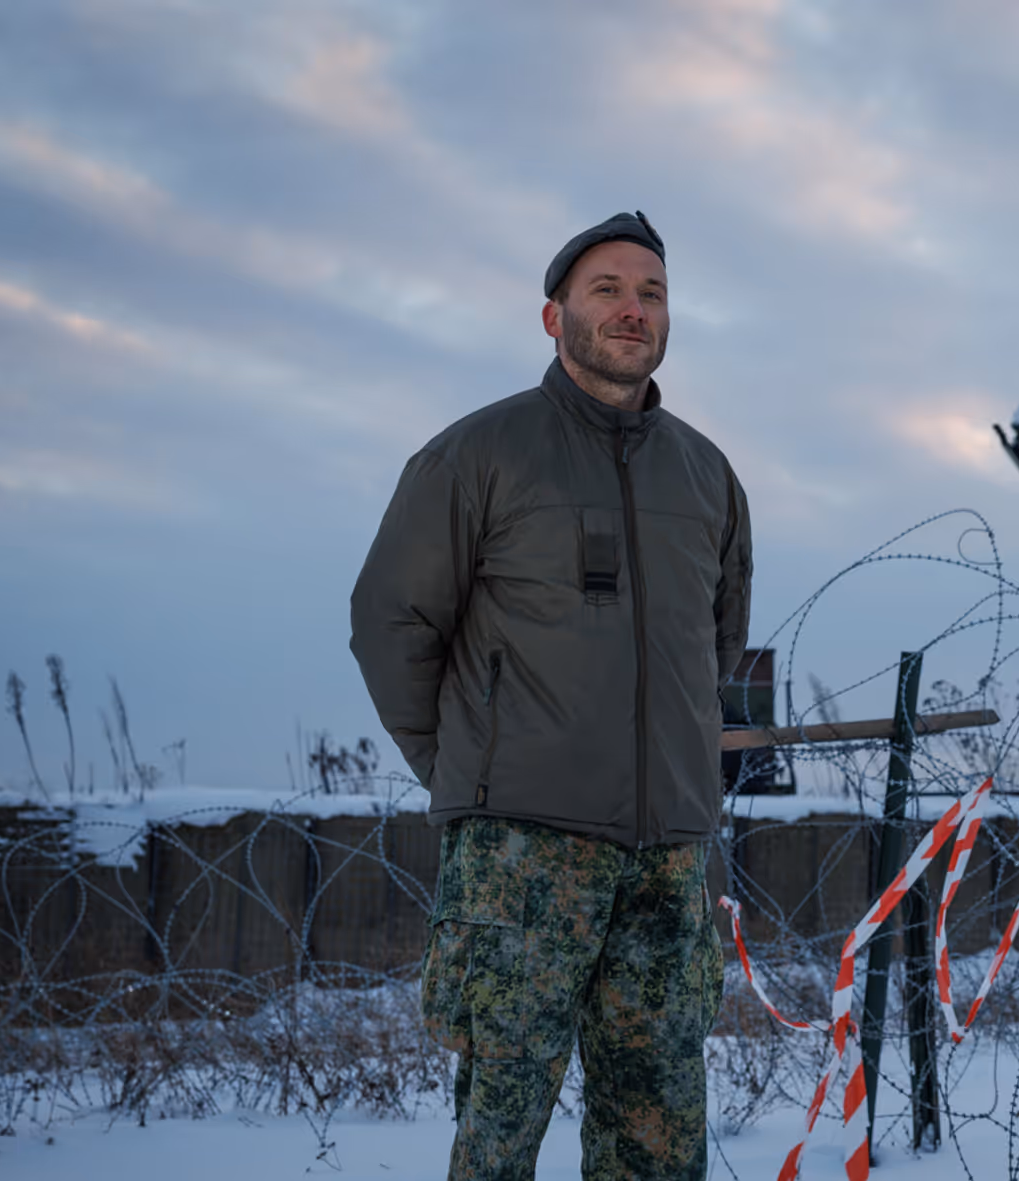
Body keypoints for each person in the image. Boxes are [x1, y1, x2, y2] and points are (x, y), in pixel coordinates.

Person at [350, 211, 751, 1180]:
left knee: (658, 1138)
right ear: (553, 315)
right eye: (607, 289)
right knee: (498, 1137)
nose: (633, 309)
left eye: (651, 292)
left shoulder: (707, 474)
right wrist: (468, 770)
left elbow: (717, 643)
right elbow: (388, 622)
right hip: (522, 858)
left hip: (668, 858)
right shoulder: (478, 455)